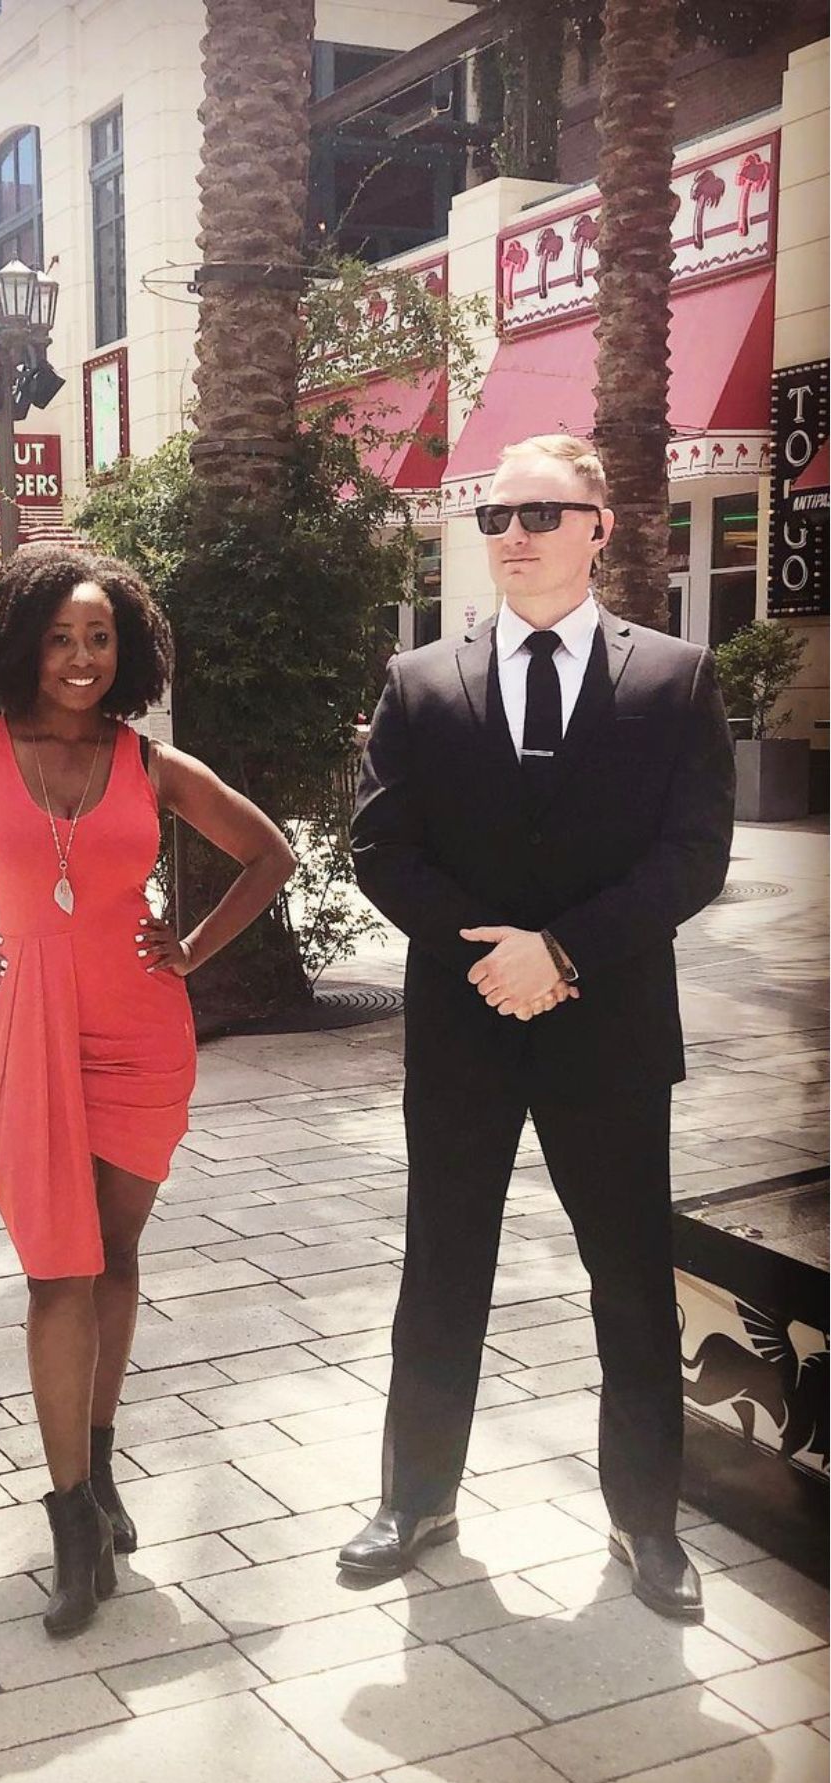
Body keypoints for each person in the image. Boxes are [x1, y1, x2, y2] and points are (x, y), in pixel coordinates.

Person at [344, 433, 735, 1621]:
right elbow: (379, 847)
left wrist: (560, 951)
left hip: (606, 1028)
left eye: (538, 513)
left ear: (598, 526)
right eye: (492, 516)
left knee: (625, 1276)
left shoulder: (674, 678)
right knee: (440, 1266)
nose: (511, 534)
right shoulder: (419, 681)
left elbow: (693, 854)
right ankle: (416, 1497)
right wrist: (493, 956)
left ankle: (644, 1520)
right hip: (464, 1029)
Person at [0, 545, 295, 1638]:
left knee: (111, 1257)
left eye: (99, 636)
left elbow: (268, 855)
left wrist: (190, 951)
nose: (78, 656)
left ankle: (98, 1473)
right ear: (19, 640)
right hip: (26, 1031)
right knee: (57, 1269)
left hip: (140, 1031)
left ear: (128, 649)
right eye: (59, 636)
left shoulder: (150, 763)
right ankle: (70, 1522)